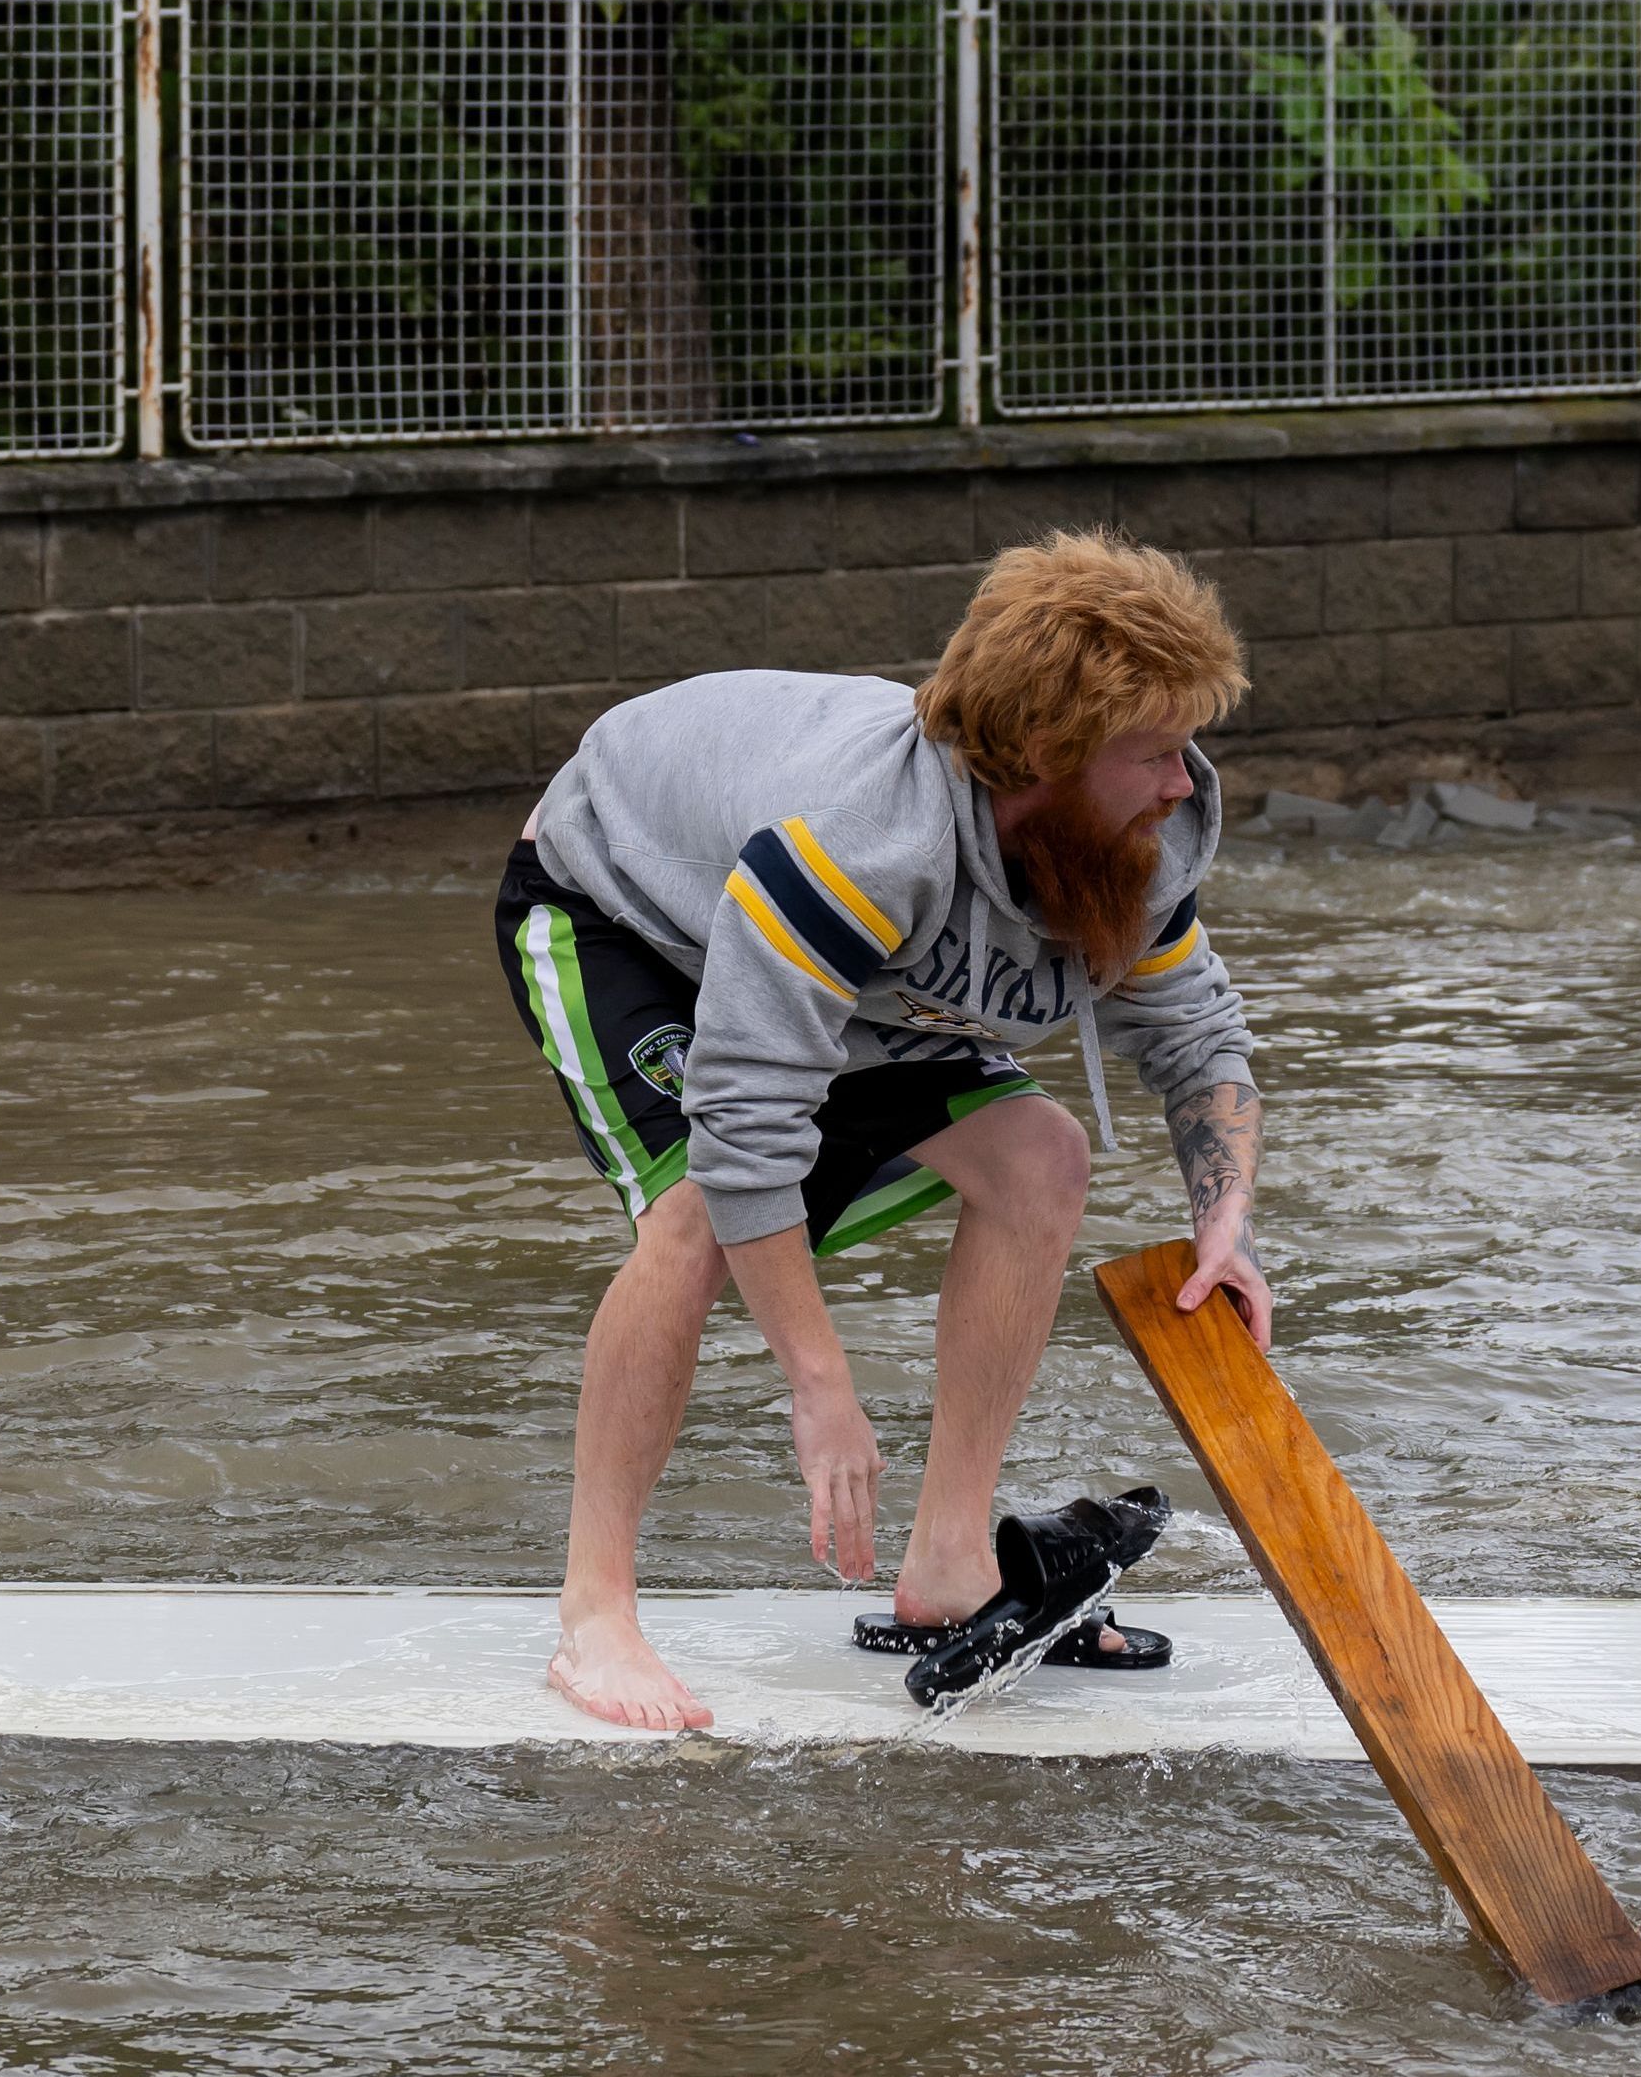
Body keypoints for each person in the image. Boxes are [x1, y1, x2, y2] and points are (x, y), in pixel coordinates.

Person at [492, 531, 1274, 1733]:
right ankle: (594, 1610)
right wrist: (822, 1388)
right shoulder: (860, 844)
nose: (1184, 781)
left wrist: (1224, 1224)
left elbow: (1197, 1037)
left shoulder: (1127, 834)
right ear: (1046, 762)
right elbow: (750, 1127)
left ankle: (950, 1570)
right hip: (626, 909)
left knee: (1039, 1159)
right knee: (698, 1217)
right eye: (1152, 753)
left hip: (859, 965)